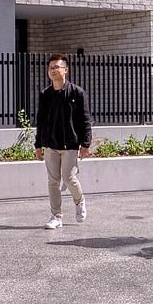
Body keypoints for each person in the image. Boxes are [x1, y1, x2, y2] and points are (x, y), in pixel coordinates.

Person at [32, 54, 93, 228]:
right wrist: (38, 144)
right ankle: (56, 216)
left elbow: (85, 119)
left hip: (71, 145)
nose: (53, 70)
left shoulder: (76, 92)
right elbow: (41, 120)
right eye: (51, 67)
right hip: (51, 145)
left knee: (69, 178)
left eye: (57, 67)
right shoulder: (45, 94)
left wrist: (86, 144)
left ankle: (79, 201)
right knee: (53, 181)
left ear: (65, 70)